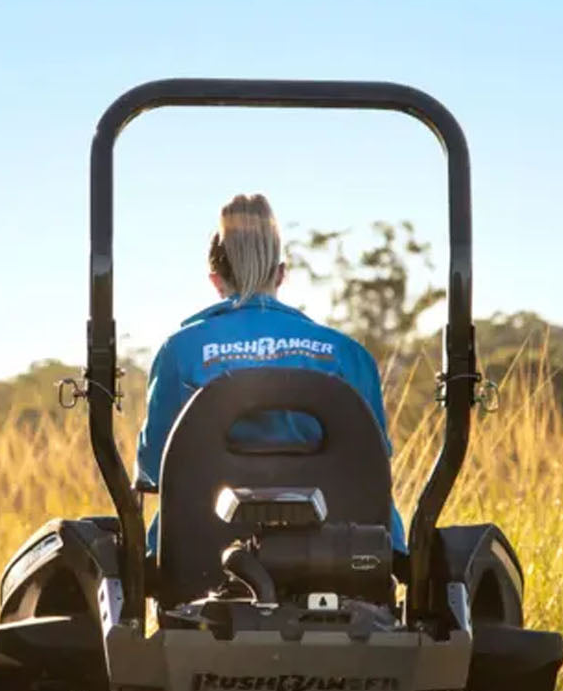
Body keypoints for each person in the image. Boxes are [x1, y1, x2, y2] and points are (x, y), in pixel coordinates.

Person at [135, 193, 407, 552]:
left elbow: (156, 469)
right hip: (337, 543)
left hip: (204, 544)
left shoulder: (181, 352)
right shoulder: (346, 353)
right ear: (281, 274)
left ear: (216, 280)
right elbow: (370, 461)